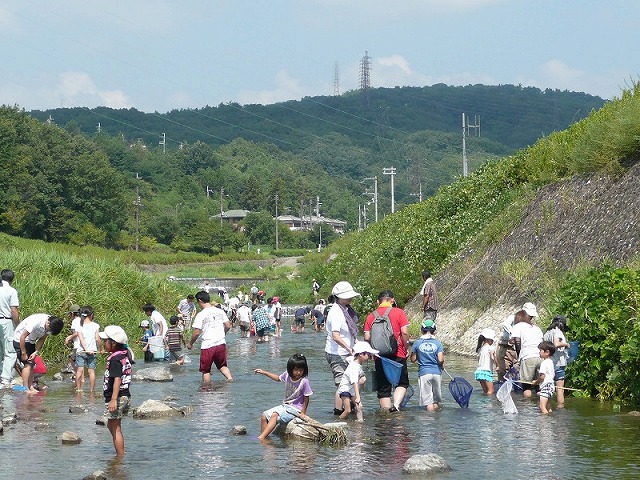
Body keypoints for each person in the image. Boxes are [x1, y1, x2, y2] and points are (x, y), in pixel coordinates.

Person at [364, 290, 410, 412]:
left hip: (379, 356)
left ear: (377, 302)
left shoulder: (371, 316)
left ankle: (386, 417)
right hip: (398, 353)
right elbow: (404, 332)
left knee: (384, 389)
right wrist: (406, 348)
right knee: (402, 383)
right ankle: (396, 406)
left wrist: (370, 352)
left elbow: (367, 337)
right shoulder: (399, 313)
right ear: (392, 300)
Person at [253, 353, 313, 441]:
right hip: (286, 406)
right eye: (296, 370)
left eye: (301, 370)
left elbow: (306, 397)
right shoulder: (287, 375)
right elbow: (278, 378)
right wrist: (264, 372)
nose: (298, 372)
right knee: (264, 415)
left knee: (274, 415)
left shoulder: (304, 382)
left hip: (296, 409)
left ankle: (261, 438)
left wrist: (303, 413)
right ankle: (265, 438)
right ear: (290, 369)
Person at [324, 281, 360, 415]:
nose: (351, 298)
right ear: (338, 297)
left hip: (346, 352)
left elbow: (350, 332)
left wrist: (356, 343)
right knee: (341, 384)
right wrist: (349, 349)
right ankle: (339, 412)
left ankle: (346, 408)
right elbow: (336, 336)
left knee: (354, 380)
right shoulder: (336, 311)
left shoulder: (346, 310)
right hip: (336, 353)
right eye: (347, 296)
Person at [99, 325, 133, 456]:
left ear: (113, 343)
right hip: (124, 396)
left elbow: (117, 379)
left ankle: (120, 457)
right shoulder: (123, 355)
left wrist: (113, 399)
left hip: (117, 397)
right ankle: (121, 454)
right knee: (112, 425)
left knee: (115, 428)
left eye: (105, 341)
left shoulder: (115, 360)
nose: (103, 343)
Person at [187, 291, 233, 382]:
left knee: (206, 370)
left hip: (208, 345)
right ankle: (230, 380)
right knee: (222, 366)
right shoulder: (219, 311)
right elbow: (228, 325)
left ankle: (206, 391)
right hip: (221, 343)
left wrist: (190, 344)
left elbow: (196, 332)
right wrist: (222, 334)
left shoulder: (201, 315)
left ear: (200, 301)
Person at [12, 313, 64, 393]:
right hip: (20, 339)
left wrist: (36, 352)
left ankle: (31, 386)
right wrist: (23, 353)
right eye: (48, 330)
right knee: (27, 364)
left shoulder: (51, 325)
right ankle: (25, 388)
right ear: (48, 323)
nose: (48, 331)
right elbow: (22, 336)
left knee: (32, 364)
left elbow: (42, 339)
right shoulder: (35, 322)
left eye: (50, 331)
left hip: (31, 341)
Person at [337, 341, 378, 421]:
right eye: (368, 354)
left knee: (359, 406)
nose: (369, 357)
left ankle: (360, 422)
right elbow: (354, 382)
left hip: (351, 390)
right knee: (348, 410)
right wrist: (358, 397)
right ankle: (338, 422)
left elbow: (348, 358)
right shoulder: (354, 367)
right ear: (361, 354)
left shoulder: (355, 362)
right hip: (345, 389)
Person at [509, 302, 543, 398]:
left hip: (527, 356)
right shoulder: (537, 328)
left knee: (526, 386)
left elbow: (517, 341)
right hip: (540, 357)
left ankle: (526, 410)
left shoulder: (518, 326)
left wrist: (520, 356)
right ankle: (540, 407)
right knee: (538, 386)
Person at [410, 319, 444, 412]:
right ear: (434, 331)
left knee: (428, 402)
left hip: (424, 373)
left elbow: (413, 360)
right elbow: (440, 359)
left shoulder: (417, 343)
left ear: (422, 330)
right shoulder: (438, 343)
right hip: (437, 373)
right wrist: (441, 365)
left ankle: (430, 422)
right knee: (436, 401)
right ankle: (437, 420)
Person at [544, 315, 571, 408]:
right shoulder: (558, 332)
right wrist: (566, 344)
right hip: (558, 363)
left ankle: (548, 408)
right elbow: (556, 344)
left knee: (548, 388)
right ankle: (560, 409)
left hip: (548, 363)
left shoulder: (547, 333)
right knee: (560, 389)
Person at [0, 269, 20, 387]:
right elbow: (13, 310)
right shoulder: (11, 291)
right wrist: (18, 324)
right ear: (12, 279)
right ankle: (5, 379)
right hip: (6, 321)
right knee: (10, 351)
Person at [75, 306, 101, 393]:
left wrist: (86, 348)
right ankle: (91, 391)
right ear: (91, 315)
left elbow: (81, 340)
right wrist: (101, 348)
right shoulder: (96, 326)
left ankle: (79, 389)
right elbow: (97, 339)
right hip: (92, 351)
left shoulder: (79, 326)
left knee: (79, 370)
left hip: (81, 351)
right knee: (91, 371)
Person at [532, 341, 556, 414]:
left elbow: (542, 377)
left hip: (545, 386)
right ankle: (550, 420)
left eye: (540, 351)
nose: (539, 352)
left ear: (547, 352)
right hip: (551, 386)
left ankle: (544, 423)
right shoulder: (551, 362)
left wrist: (536, 382)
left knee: (542, 407)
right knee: (548, 408)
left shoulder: (544, 363)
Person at [474, 328, 496, 395]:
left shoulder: (480, 349)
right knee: (491, 391)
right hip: (486, 372)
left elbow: (479, 360)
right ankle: (488, 405)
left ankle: (483, 404)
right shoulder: (491, 348)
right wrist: (498, 365)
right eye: (492, 340)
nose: (493, 341)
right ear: (488, 339)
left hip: (479, 372)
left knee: (485, 391)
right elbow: (492, 358)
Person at [495, 313, 517, 382]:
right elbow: (505, 324)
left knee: (516, 369)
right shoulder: (513, 318)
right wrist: (513, 334)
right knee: (503, 370)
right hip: (505, 346)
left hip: (515, 348)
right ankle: (502, 385)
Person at [63, 304, 82, 375]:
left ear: (72, 313)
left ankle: (77, 374)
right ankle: (79, 374)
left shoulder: (75, 321)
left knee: (71, 358)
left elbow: (76, 333)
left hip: (78, 346)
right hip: (84, 345)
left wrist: (68, 338)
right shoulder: (82, 320)